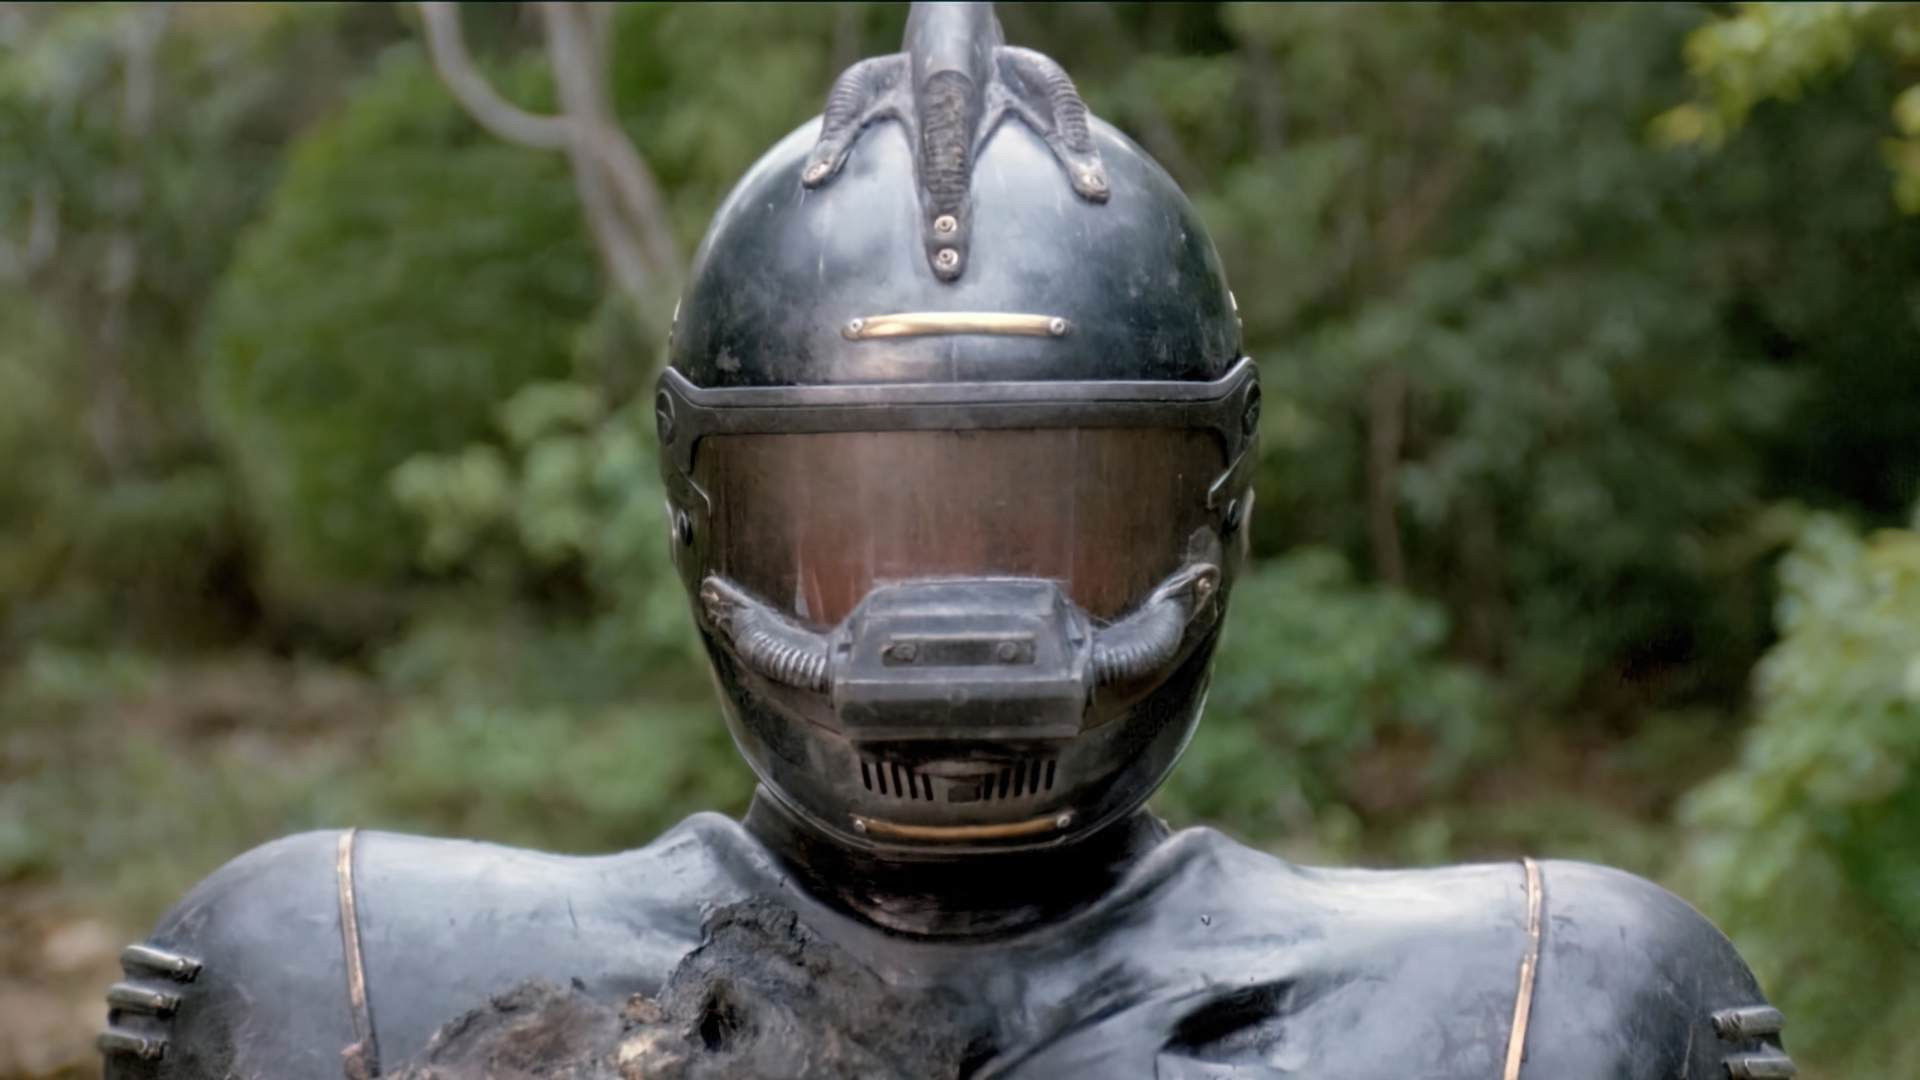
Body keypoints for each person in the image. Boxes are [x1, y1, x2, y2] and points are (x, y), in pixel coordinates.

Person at [99, 5, 1794, 1078]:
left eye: (1052, 522)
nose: (963, 637)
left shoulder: (1566, 1005)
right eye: (865, 528)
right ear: (702, 513)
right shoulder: (323, 973)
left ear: (1214, 509)